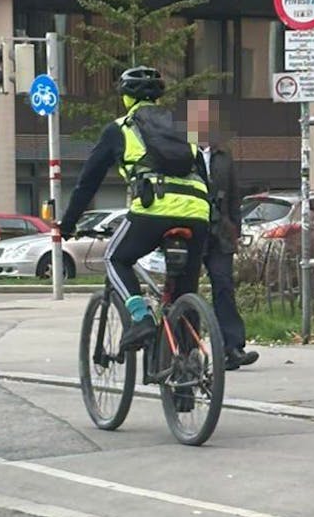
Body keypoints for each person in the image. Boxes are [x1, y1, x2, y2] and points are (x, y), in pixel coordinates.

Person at [59, 66, 211, 352]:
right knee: (184, 293)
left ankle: (140, 319)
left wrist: (67, 224)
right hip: (198, 212)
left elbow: (87, 183)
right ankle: (188, 369)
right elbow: (204, 175)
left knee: (115, 258)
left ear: (126, 97)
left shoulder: (119, 129)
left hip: (154, 211)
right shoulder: (183, 130)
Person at [188, 99, 258, 371]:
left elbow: (233, 196)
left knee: (224, 286)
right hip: (191, 231)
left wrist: (235, 228)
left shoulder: (223, 156)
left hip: (220, 233)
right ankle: (189, 349)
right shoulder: (184, 154)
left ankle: (232, 348)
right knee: (187, 290)